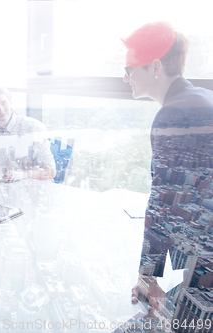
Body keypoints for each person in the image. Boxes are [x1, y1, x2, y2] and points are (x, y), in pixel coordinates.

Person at [123, 22, 213, 316]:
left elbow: (165, 203)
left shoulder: (176, 114)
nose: (126, 78)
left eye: (131, 69)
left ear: (156, 66)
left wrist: (147, 276)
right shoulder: (200, 99)